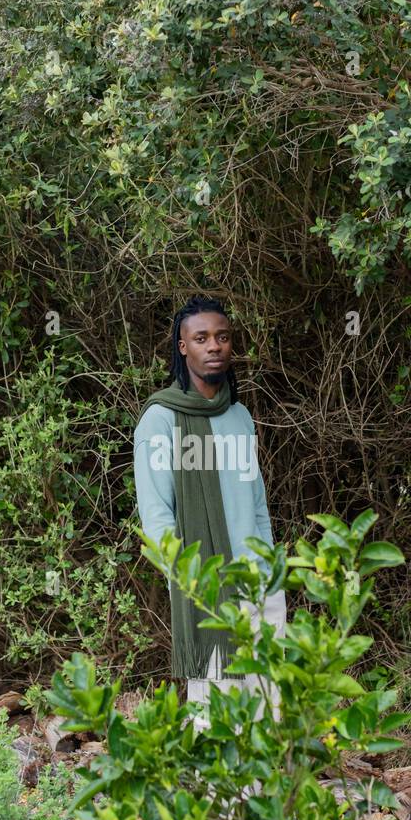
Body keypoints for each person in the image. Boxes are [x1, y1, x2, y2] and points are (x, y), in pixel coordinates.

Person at [133, 295, 286, 724]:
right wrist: (190, 582)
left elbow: (256, 503)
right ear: (183, 347)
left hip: (258, 581)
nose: (214, 346)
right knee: (217, 712)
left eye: (222, 337)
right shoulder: (160, 419)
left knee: (269, 706)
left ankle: (268, 793)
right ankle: (215, 794)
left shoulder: (239, 415)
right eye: (201, 338)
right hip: (206, 586)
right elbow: (157, 515)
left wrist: (271, 569)